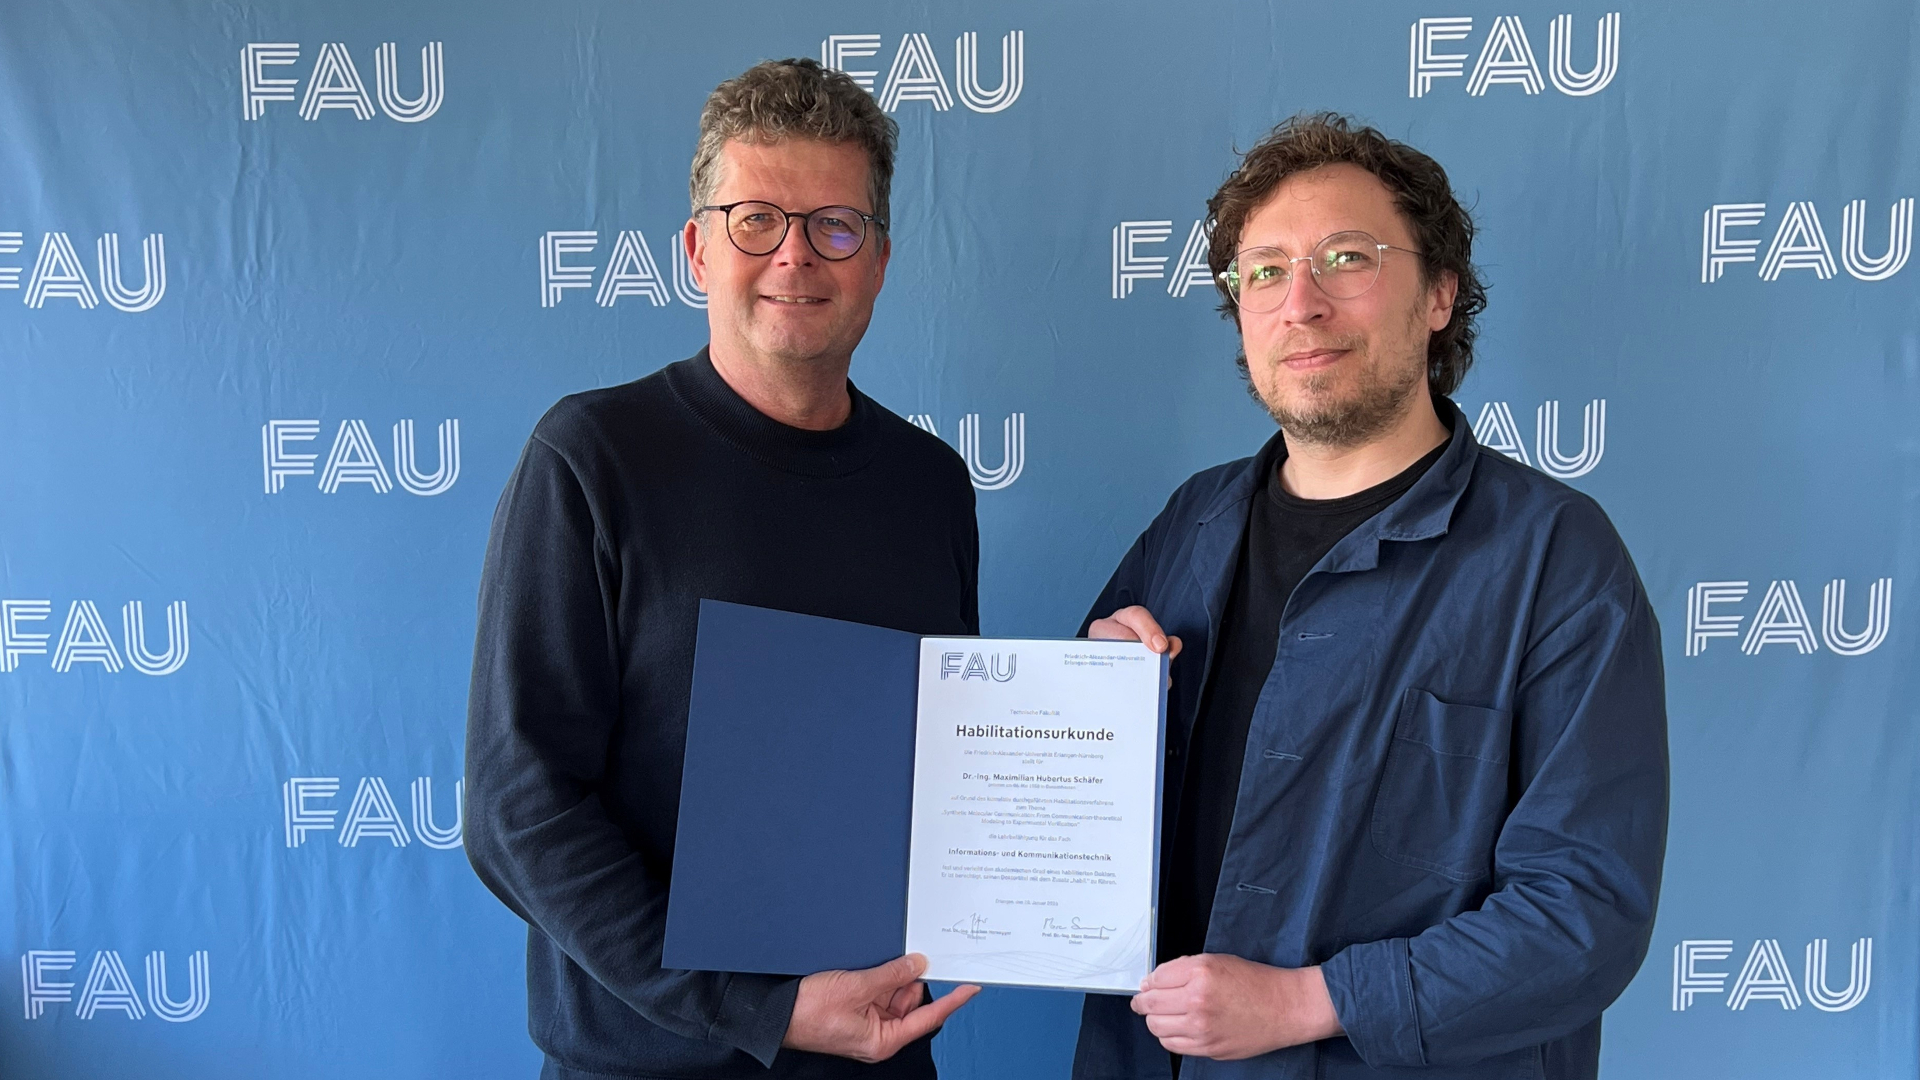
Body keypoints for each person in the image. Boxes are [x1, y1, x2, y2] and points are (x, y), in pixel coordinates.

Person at [1074, 113, 1668, 1080]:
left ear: (1439, 294)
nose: (1298, 303)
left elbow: (1582, 911)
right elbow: (1077, 836)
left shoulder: (1557, 559)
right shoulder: (1188, 527)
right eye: (1263, 271)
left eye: (1345, 258)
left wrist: (1306, 1001)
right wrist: (1087, 694)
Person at [464, 58, 980, 1080]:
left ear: (878, 259)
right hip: (649, 1063)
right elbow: (518, 808)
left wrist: (1102, 682)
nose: (796, 256)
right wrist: (760, 1010)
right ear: (699, 249)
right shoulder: (592, 457)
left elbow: (950, 769)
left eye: (835, 225)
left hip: (878, 1055)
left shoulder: (931, 486)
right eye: (757, 222)